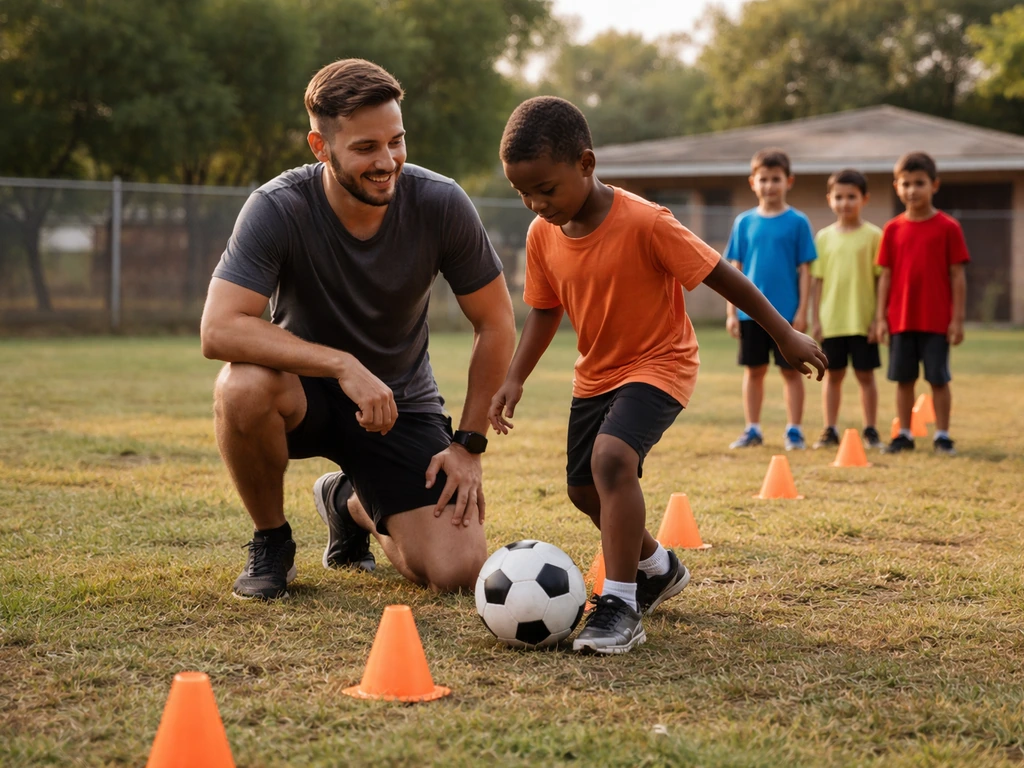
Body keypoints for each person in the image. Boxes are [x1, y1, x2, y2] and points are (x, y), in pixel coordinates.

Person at [489, 97, 826, 654]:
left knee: (612, 460)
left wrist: (783, 333)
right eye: (522, 194)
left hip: (660, 361)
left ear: (586, 164)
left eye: (546, 189)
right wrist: (515, 376)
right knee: (583, 489)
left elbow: (725, 276)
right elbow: (545, 308)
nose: (535, 204)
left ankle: (619, 602)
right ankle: (656, 566)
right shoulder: (542, 234)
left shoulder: (646, 222)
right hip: (596, 372)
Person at [200, 59, 516, 600]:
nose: (387, 160)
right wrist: (343, 365)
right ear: (320, 147)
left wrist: (468, 444)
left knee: (456, 573)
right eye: (366, 147)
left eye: (396, 140)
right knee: (242, 385)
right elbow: (219, 329)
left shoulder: (440, 202)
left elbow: (496, 322)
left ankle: (348, 501)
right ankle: (271, 539)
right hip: (302, 394)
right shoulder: (278, 207)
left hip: (401, 404)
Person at [724, 149, 818, 451]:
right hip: (750, 315)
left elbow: (805, 270)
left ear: (788, 181)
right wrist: (731, 313)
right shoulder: (743, 222)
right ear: (753, 182)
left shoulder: (798, 222)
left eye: (775, 179)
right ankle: (752, 429)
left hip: (787, 315)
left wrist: (803, 311)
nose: (769, 185)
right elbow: (732, 270)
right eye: (763, 179)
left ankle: (794, 431)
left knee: (792, 372)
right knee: (754, 371)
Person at [876, 151, 969, 456]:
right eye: (906, 184)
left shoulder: (948, 228)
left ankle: (942, 435)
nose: (912, 190)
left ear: (934, 185)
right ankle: (904, 433)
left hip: (936, 320)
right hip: (901, 320)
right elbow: (885, 277)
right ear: (896, 187)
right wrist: (880, 318)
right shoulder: (892, 229)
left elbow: (957, 276)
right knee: (903, 379)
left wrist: (956, 319)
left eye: (919, 183)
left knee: (938, 379)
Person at [809, 169, 883, 450]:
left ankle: (872, 429)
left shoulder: (875, 236)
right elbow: (818, 282)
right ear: (830, 199)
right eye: (839, 197)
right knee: (833, 376)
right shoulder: (824, 238)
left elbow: (880, 282)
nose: (845, 203)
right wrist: (816, 319)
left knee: (866, 376)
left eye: (852, 197)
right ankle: (829, 429)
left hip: (862, 321)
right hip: (833, 322)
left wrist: (878, 319)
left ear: (864, 199)